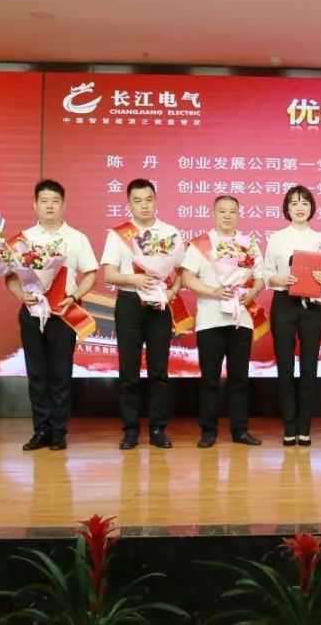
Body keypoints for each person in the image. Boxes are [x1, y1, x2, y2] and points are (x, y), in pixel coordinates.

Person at [6, 179, 98, 452]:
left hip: (63, 314)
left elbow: (91, 274)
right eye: (44, 201)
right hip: (32, 312)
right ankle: (41, 430)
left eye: (55, 201)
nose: (49, 206)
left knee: (60, 374)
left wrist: (74, 296)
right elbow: (9, 277)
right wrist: (21, 296)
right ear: (35, 205)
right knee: (37, 374)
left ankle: (58, 431)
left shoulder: (77, 238)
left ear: (63, 205)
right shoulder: (22, 240)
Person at [100, 178, 187, 450]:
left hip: (159, 305)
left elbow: (182, 270)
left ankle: (158, 429)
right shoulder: (118, 235)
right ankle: (130, 430)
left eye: (149, 200)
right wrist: (134, 280)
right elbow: (110, 274)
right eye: (137, 201)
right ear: (129, 203)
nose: (144, 206)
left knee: (159, 369)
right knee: (129, 369)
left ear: (156, 200)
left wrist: (172, 292)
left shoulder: (170, 232)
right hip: (129, 303)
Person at [181, 195, 266, 448]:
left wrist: (253, 291)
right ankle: (208, 431)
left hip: (242, 320)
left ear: (238, 215)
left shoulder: (248, 244)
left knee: (239, 378)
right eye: (222, 211)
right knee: (210, 379)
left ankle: (240, 430)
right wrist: (214, 292)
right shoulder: (200, 244)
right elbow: (187, 277)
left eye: (232, 211)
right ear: (213, 214)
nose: (227, 216)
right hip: (210, 320)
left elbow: (260, 277)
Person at [263, 185, 321, 446]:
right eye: (294, 203)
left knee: (309, 366)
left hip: (312, 306)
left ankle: (305, 427)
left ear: (311, 207)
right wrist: (280, 279)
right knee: (285, 366)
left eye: (304, 203)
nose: (300, 208)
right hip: (284, 304)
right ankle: (289, 426)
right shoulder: (277, 238)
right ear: (287, 209)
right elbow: (266, 273)